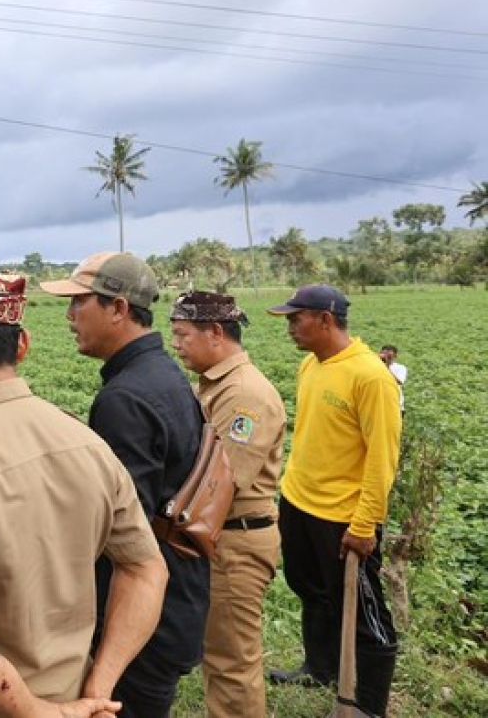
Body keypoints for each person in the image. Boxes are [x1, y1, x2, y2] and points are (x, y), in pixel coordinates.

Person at [0, 269, 168, 718]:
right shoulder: (87, 443)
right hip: (80, 697)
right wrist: (98, 689)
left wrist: (43, 713)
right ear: (23, 345)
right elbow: (146, 570)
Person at [41, 252, 208, 718]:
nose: (70, 316)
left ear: (117, 309)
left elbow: (118, 530)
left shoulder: (126, 398)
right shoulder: (162, 375)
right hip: (177, 601)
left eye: (79, 302)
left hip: (142, 621)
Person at [266, 284, 401, 717]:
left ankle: (369, 704)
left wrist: (364, 526)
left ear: (325, 320)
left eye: (295, 318)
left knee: (365, 613)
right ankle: (319, 667)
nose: (289, 327)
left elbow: (383, 461)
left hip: (343, 517)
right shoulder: (312, 364)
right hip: (299, 503)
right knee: (309, 590)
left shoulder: (369, 377)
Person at [168, 291, 286, 718]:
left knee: (232, 663)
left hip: (235, 542)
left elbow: (221, 483)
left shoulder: (244, 396)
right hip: (221, 540)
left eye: (182, 335)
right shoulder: (219, 385)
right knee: (219, 653)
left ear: (215, 333)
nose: (176, 344)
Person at [377, 345, 407, 414]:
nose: (386, 357)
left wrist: (386, 366)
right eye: (384, 354)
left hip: (396, 405)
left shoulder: (400, 367)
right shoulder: (375, 366)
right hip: (379, 405)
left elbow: (399, 381)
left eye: (389, 356)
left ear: (395, 356)